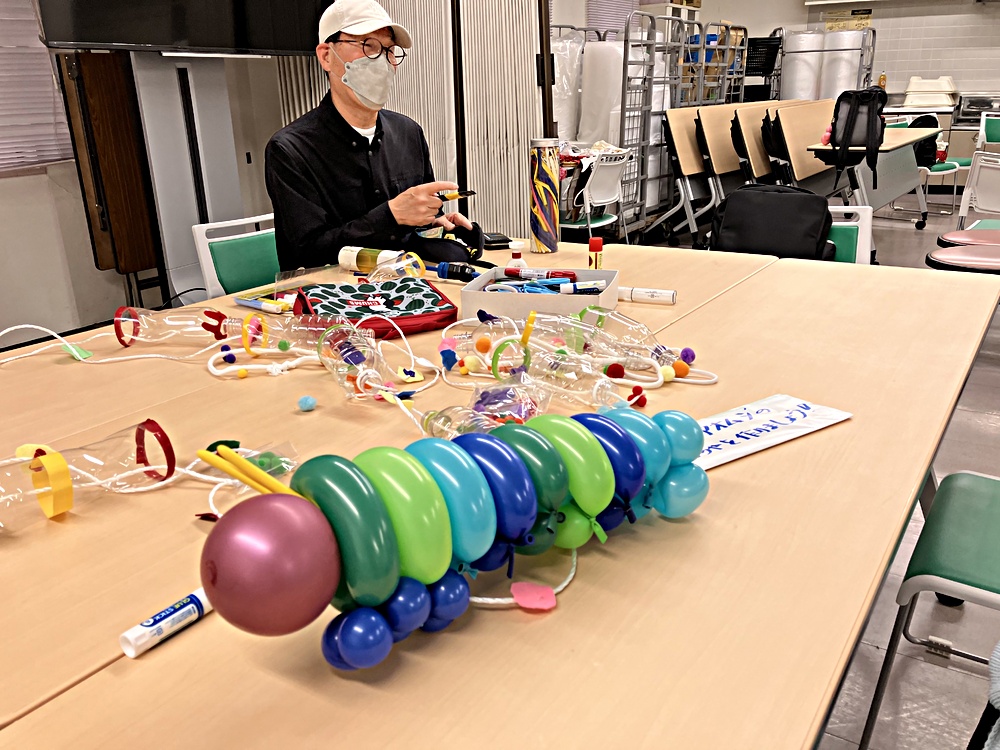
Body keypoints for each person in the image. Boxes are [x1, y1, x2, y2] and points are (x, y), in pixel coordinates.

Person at [265, 0, 472, 271]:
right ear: (326, 56)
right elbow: (306, 253)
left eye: (389, 51)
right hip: (335, 292)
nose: (383, 62)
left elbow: (418, 219)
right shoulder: (290, 150)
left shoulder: (408, 132)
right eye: (368, 46)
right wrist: (390, 216)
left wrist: (433, 224)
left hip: (410, 283)